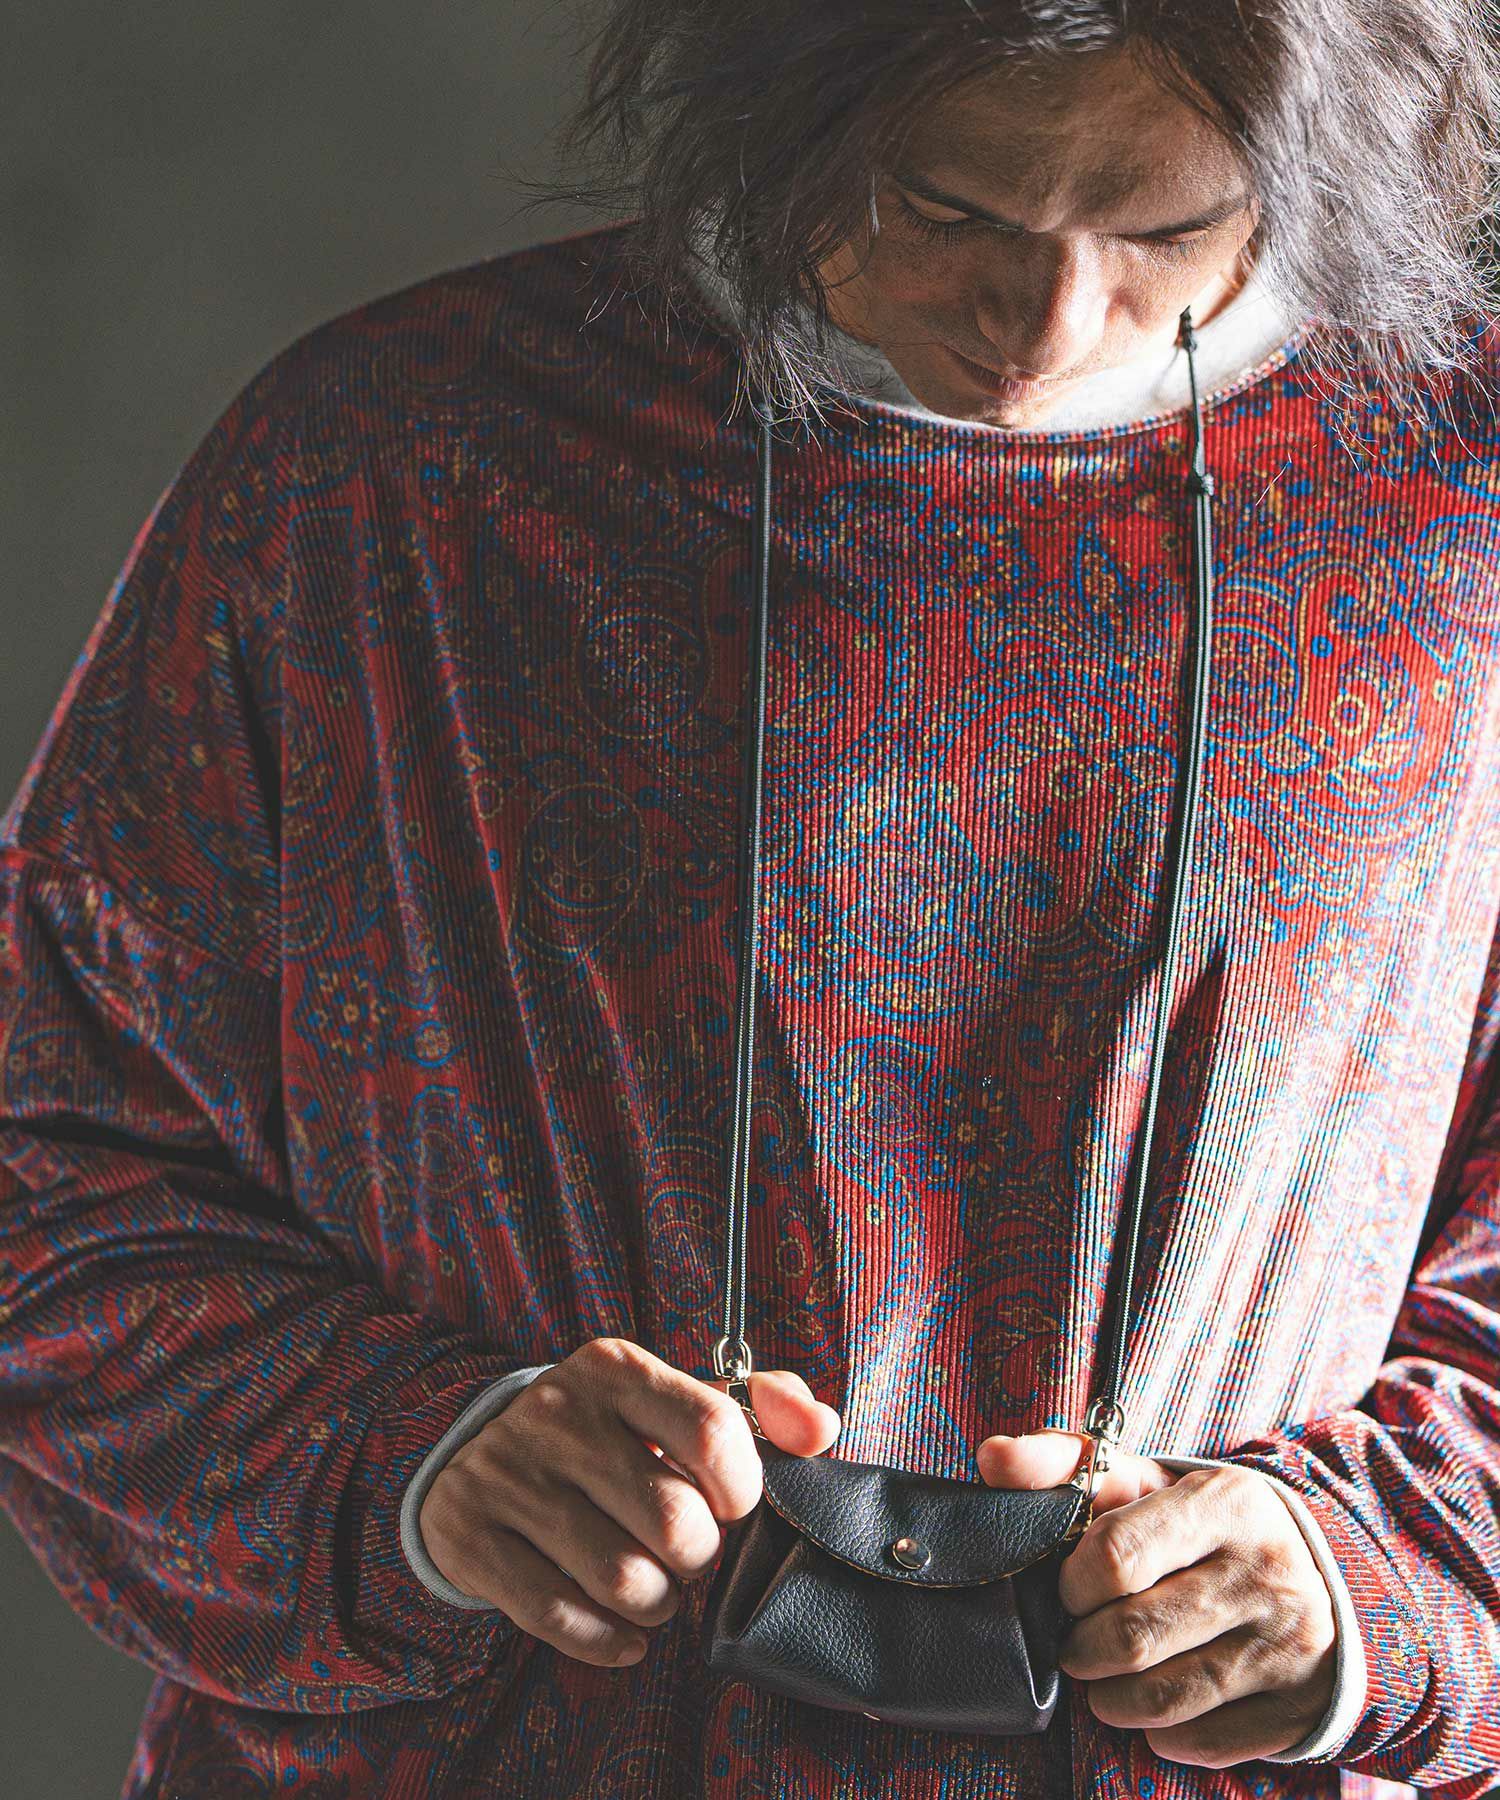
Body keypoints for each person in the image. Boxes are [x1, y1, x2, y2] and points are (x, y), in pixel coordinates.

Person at [1, 2, 1497, 1796]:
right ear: (787, 102)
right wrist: (415, 1458)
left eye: (1169, 227)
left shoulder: (1459, 484)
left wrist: (1367, 1588)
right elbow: (48, 1147)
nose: (1044, 325)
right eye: (944, 209)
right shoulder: (393, 466)